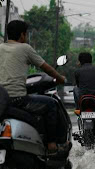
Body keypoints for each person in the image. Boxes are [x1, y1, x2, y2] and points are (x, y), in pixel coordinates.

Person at [0, 20, 68, 153]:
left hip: (1, 100)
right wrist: (60, 79)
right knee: (51, 104)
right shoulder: (25, 48)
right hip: (18, 100)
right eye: (26, 34)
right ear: (22, 35)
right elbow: (47, 68)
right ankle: (53, 144)